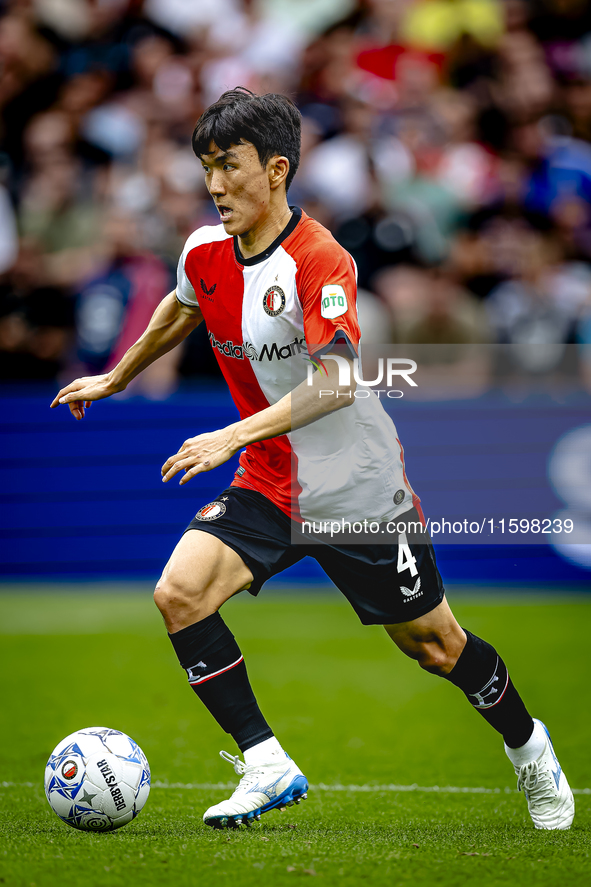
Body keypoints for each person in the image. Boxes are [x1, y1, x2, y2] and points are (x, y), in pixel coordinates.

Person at [51, 88, 574, 831]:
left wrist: (231, 433)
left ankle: (530, 749)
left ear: (275, 170)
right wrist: (118, 375)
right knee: (180, 592)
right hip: (268, 481)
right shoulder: (204, 250)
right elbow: (180, 304)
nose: (214, 184)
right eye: (206, 166)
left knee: (435, 645)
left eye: (229, 166)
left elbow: (336, 380)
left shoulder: (319, 260)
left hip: (357, 490)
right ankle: (265, 761)